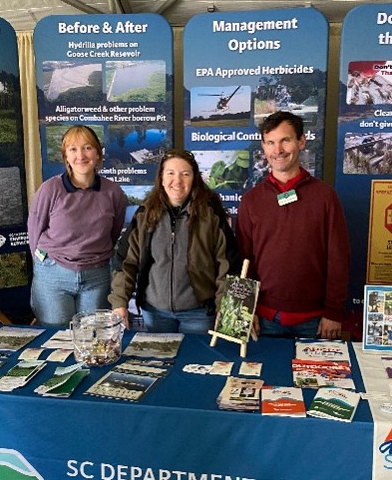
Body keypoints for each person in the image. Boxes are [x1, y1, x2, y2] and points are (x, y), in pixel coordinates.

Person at [236, 111, 350, 340]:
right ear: (264, 146)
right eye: (270, 142)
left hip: (316, 322)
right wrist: (244, 309)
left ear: (301, 141)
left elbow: (339, 259)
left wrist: (333, 313)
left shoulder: (325, 197)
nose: (277, 150)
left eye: (285, 140)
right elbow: (242, 260)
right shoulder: (251, 200)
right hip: (263, 321)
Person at [109, 149, 240, 333]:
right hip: (155, 313)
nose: (177, 181)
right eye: (170, 173)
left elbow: (228, 265)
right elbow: (126, 262)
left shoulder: (211, 214)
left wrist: (224, 306)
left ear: (194, 178)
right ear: (161, 178)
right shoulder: (145, 214)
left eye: (185, 174)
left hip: (199, 314)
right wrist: (119, 302)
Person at [28, 124, 126, 325]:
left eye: (87, 147)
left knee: (94, 339)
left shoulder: (113, 192)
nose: (81, 155)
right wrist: (44, 265)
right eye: (73, 149)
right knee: (56, 339)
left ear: (98, 154)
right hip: (53, 275)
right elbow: (34, 232)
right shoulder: (50, 190)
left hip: (97, 276)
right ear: (66, 157)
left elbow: (113, 233)